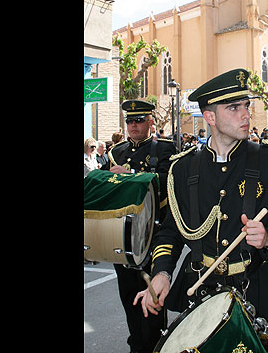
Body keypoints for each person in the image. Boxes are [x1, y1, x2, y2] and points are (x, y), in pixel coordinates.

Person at [134, 69, 268, 353]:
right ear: (210, 117)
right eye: (233, 108)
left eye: (246, 106)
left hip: (262, 296)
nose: (245, 114)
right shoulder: (182, 169)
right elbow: (171, 231)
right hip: (203, 299)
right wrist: (162, 274)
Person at [99, 100, 177, 353]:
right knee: (128, 295)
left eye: (139, 120)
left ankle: (155, 345)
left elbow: (170, 183)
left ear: (150, 122)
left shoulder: (166, 149)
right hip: (122, 237)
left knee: (153, 301)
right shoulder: (116, 152)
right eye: (129, 121)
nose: (133, 125)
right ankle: (136, 344)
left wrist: (131, 176)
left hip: (153, 235)